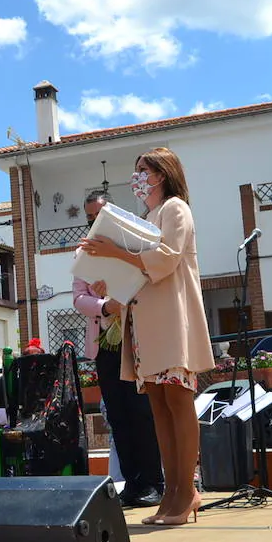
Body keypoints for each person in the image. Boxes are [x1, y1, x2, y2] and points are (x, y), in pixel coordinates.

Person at [81, 147, 214, 527]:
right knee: (159, 407)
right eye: (136, 169)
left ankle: (186, 491)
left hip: (172, 319)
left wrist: (116, 254)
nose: (138, 176)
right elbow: (140, 269)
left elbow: (167, 258)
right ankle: (171, 491)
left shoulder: (175, 209)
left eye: (145, 169)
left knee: (177, 400)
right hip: (144, 323)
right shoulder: (146, 217)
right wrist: (108, 270)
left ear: (164, 172)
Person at [74, 192, 165, 509]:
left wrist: (117, 296)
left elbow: (145, 281)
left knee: (142, 412)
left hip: (135, 338)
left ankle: (154, 482)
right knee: (118, 416)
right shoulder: (83, 253)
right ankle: (133, 483)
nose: (92, 222)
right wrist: (104, 304)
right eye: (88, 218)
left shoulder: (133, 246)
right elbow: (78, 298)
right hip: (105, 345)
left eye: (97, 216)